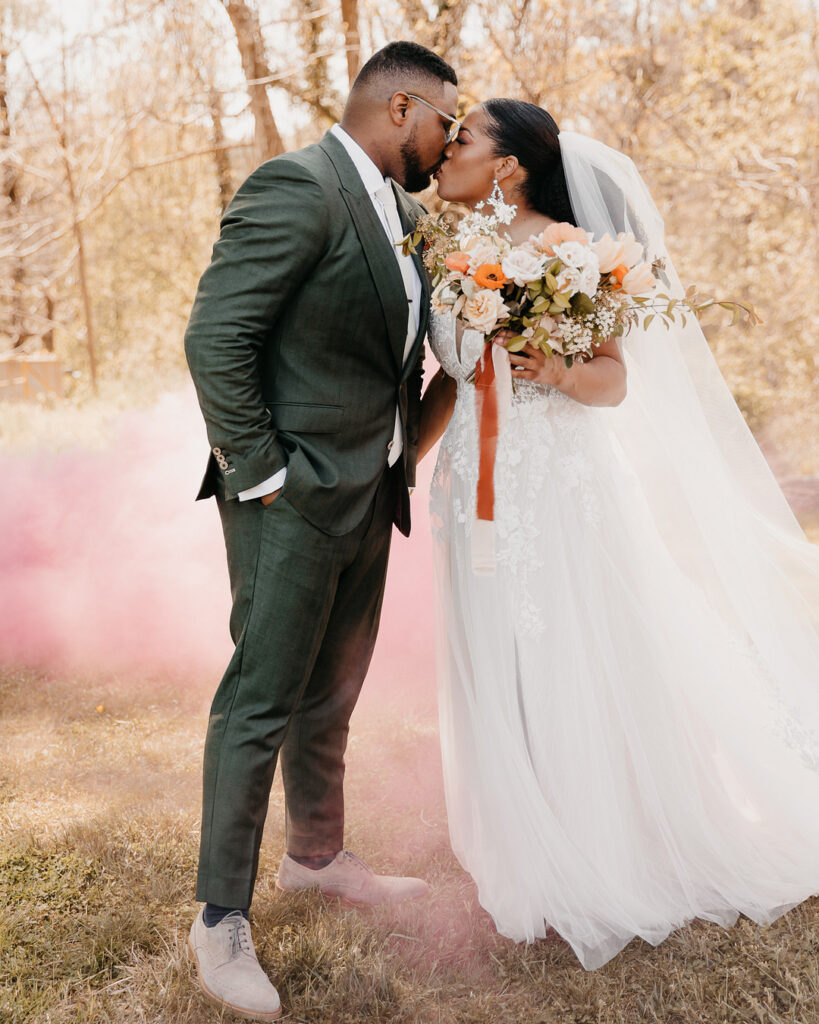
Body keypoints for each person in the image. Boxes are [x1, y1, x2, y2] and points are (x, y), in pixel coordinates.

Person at [420, 98, 819, 971]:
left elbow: (612, 383)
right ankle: (518, 833)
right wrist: (402, 462)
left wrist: (554, 366)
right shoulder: (449, 257)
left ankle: (590, 842)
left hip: (554, 488)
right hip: (470, 487)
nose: (447, 148)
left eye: (466, 137)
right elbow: (449, 379)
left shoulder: (568, 250)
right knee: (492, 651)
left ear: (510, 165)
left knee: (563, 647)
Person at [183, 41, 459, 1020]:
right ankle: (220, 921)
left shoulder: (413, 218)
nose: (450, 141)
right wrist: (265, 478)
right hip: (290, 499)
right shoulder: (295, 187)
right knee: (261, 697)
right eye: (446, 123)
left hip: (370, 496)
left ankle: (317, 855)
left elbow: (403, 361)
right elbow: (216, 336)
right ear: (398, 107)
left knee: (332, 692)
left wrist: (401, 462)